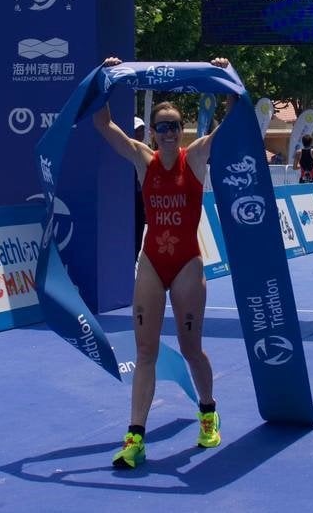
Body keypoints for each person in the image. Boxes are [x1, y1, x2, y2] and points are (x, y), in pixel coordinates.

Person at [93, 57, 232, 469]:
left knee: (191, 350)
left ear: (183, 131)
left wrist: (224, 78)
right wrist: (107, 78)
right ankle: (135, 436)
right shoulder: (144, 160)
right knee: (145, 351)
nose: (169, 134)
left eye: (175, 126)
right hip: (152, 262)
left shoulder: (197, 157)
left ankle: (208, 411)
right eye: (162, 127)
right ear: (152, 133)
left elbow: (236, 124)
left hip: (187, 263)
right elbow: (103, 125)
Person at [132, 117, 146, 262]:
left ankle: (134, 261)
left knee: (138, 237)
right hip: (126, 204)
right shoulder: (125, 152)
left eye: (141, 130)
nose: (139, 133)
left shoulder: (147, 153)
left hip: (141, 204)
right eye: (136, 130)